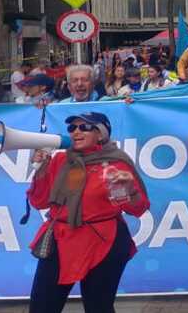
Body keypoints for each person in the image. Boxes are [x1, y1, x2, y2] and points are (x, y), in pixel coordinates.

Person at [26, 112, 150, 313]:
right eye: (72, 128)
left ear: (101, 134)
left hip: (103, 241)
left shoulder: (116, 163)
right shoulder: (59, 160)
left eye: (84, 127)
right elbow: (38, 202)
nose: (76, 132)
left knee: (98, 307)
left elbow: (138, 208)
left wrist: (129, 189)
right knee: (42, 307)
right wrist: (40, 170)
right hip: (61, 238)